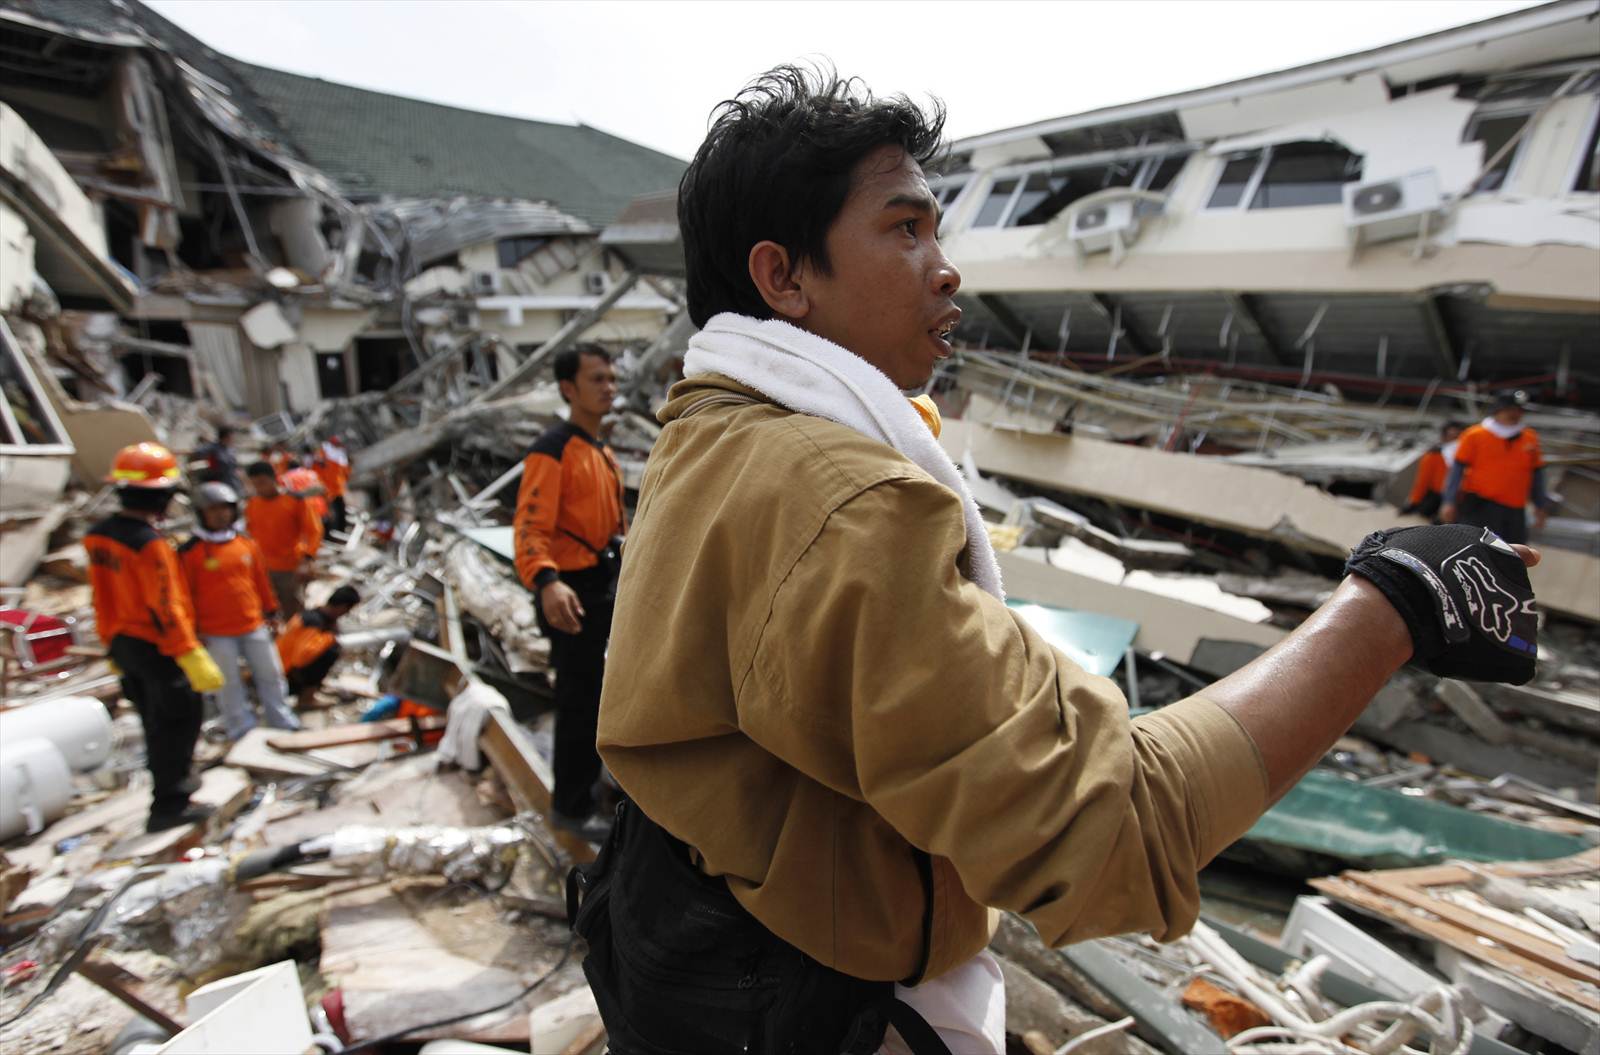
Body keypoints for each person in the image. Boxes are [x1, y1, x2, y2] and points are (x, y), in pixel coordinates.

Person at [576, 68, 1542, 1054]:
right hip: (786, 1003)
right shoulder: (840, 500)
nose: (945, 269)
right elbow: (1118, 826)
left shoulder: (714, 427)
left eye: (937, 231)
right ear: (784, 277)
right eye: (904, 229)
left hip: (683, 948)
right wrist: (1393, 601)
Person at [513, 344, 625, 841]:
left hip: (600, 585)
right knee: (579, 701)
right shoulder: (552, 449)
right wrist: (547, 581)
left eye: (611, 379)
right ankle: (571, 810)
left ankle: (599, 788)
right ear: (567, 388)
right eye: (597, 379)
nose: (609, 388)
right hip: (570, 592)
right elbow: (529, 527)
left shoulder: (600, 450)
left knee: (602, 695)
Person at [85, 443, 226, 832]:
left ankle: (172, 792)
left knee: (154, 721)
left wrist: (110, 643)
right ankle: (170, 804)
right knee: (177, 720)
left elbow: (101, 597)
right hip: (157, 646)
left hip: (124, 642)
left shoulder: (99, 536)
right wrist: (190, 652)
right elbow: (166, 605)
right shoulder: (149, 544)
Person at [177, 482, 300, 740]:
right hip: (216, 631)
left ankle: (282, 720)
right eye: (213, 510)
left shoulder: (245, 544)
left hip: (252, 624)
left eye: (225, 509)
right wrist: (192, 631)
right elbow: (183, 595)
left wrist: (271, 611)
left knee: (271, 674)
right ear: (201, 513)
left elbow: (260, 581)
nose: (220, 515)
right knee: (228, 683)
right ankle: (241, 728)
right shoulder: (190, 552)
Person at [1441, 391, 1555, 545]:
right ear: (1498, 410)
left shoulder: (1530, 437)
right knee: (1478, 549)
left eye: (1519, 410)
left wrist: (1540, 505)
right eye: (1510, 410)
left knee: (1515, 552)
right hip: (1481, 506)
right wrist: (1449, 501)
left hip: (1515, 509)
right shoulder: (1475, 435)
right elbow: (1457, 471)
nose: (1515, 414)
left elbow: (1537, 474)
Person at [243, 460, 322, 618]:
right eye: (255, 484)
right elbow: (251, 534)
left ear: (274, 479)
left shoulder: (295, 501)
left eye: (262, 483)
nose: (259, 488)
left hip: (290, 567)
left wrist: (307, 559)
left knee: (293, 611)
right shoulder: (252, 504)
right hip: (263, 569)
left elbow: (314, 531)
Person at [277, 585, 359, 706]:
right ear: (342, 607)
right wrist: (330, 637)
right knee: (330, 652)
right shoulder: (314, 622)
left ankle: (309, 693)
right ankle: (306, 698)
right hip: (284, 675)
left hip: (282, 670)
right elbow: (301, 658)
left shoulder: (312, 615)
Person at [1400, 421, 1463, 520]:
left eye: (1457, 436)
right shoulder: (1434, 455)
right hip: (1439, 500)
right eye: (1451, 436)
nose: (1455, 441)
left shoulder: (1467, 456)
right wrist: (1414, 501)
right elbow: (1423, 481)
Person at [314, 435, 351, 535]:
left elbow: (344, 472)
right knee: (331, 512)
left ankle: (341, 530)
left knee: (340, 510)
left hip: (336, 489)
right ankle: (335, 531)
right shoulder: (325, 453)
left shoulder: (339, 455)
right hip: (328, 491)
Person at [192, 425, 242, 495]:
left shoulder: (231, 450)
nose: (233, 439)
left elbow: (236, 467)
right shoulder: (213, 447)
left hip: (232, 480)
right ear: (225, 437)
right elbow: (198, 452)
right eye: (231, 436)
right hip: (218, 480)